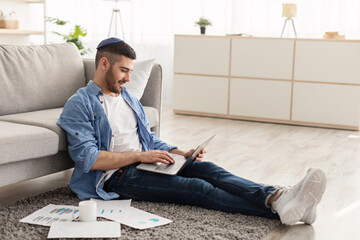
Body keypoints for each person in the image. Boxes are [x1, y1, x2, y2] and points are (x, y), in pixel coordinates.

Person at [57, 37, 327, 225]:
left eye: (129, 71)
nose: (128, 78)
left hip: (144, 161)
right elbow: (89, 159)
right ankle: (282, 210)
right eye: (123, 70)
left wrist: (178, 152)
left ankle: (277, 196)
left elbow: (148, 139)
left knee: (210, 170)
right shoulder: (80, 104)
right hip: (115, 177)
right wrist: (141, 157)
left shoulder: (127, 98)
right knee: (198, 189)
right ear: (103, 64)